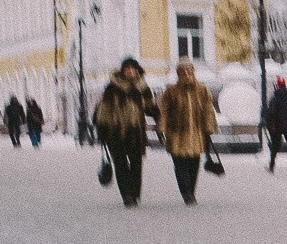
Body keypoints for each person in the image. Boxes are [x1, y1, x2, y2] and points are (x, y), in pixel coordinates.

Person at [93, 58, 156, 207]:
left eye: (133, 69)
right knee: (120, 165)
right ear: (122, 71)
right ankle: (127, 196)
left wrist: (158, 116)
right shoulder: (112, 88)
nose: (130, 72)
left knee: (136, 164)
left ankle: (134, 193)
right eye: (127, 69)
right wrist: (102, 131)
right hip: (116, 132)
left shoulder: (142, 88)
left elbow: (149, 107)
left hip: (136, 132)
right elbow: (104, 110)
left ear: (137, 71)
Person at [157, 58, 217, 205]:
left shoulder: (202, 90)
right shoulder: (171, 91)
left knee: (194, 165)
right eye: (183, 73)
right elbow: (164, 111)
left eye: (189, 72)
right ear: (178, 74)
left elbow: (209, 110)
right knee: (180, 165)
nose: (187, 76)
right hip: (177, 134)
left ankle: (191, 191)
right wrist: (162, 127)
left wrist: (209, 127)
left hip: (196, 134)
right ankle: (186, 193)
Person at [264, 78, 287, 174]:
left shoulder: (274, 99)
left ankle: (272, 165)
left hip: (277, 127)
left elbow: (271, 114)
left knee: (275, 147)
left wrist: (270, 126)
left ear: (277, 87)